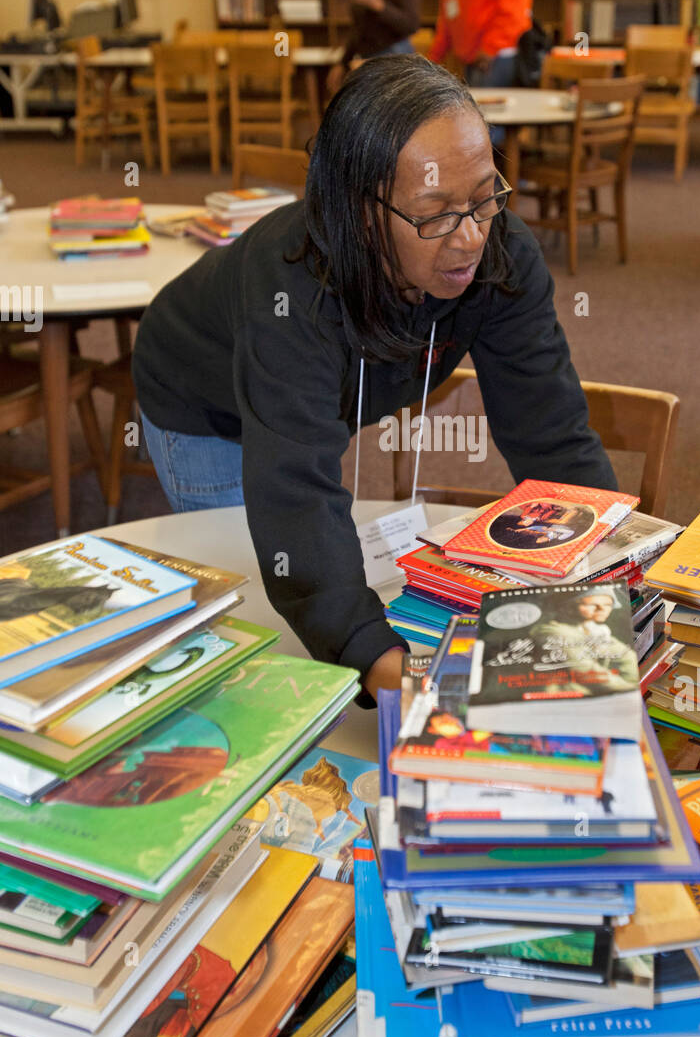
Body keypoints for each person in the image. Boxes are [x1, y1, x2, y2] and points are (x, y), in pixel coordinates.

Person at [131, 55, 616, 709]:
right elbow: (295, 495)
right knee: (258, 617)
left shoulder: (500, 255)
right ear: (362, 213)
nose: (471, 236)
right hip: (204, 400)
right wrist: (388, 672)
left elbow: (553, 435)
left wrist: (610, 581)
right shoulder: (289, 291)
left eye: (484, 197)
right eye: (437, 213)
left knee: (331, 595)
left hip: (313, 391)